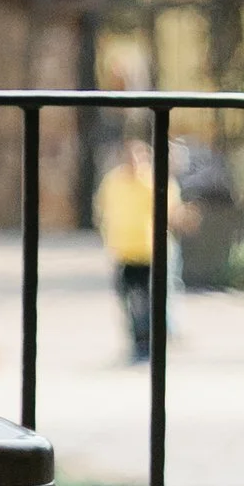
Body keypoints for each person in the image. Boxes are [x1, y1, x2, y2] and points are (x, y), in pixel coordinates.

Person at [94, 137, 176, 364]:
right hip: (123, 250)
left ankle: (150, 342)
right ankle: (136, 341)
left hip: (150, 250)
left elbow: (170, 210)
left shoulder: (152, 181)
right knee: (127, 299)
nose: (134, 162)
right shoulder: (113, 182)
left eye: (139, 157)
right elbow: (103, 209)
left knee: (150, 300)